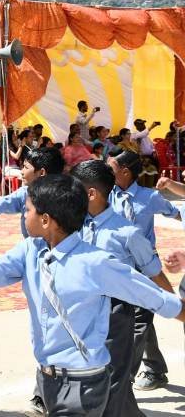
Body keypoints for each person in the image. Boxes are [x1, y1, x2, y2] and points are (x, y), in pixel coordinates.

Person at [0, 174, 185, 417]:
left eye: (27, 210)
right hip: (48, 378)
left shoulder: (95, 263)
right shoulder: (31, 250)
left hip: (84, 381)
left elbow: (153, 297)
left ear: (46, 220)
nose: (24, 215)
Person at [70, 160, 175, 415]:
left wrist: (176, 304)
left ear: (91, 194)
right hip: (82, 309)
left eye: (75, 190)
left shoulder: (127, 233)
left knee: (113, 378)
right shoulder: (74, 223)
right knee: (95, 377)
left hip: (116, 313)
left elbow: (153, 271)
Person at [107, 150, 181, 391]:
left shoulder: (150, 197)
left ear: (125, 172)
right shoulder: (107, 195)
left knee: (140, 320)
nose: (107, 171)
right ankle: (155, 368)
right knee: (133, 317)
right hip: (119, 267)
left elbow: (176, 213)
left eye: (111, 167)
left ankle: (122, 379)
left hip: (146, 266)